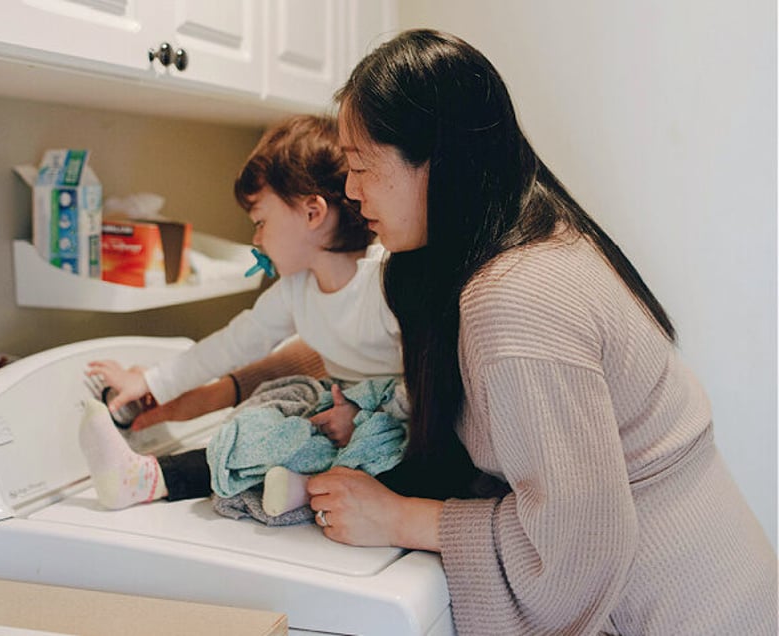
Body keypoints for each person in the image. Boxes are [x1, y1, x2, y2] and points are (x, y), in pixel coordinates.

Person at [302, 28, 777, 635]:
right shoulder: (534, 236)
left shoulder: (515, 295)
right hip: (715, 576)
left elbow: (579, 546)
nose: (350, 189)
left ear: (437, 159)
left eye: (361, 166)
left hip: (674, 607)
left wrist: (399, 518)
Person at [80, 113, 405, 511]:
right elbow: (236, 342)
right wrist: (151, 382)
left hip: (399, 417)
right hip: (338, 405)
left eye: (261, 222)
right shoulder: (295, 289)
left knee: (377, 449)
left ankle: (303, 488)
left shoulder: (385, 281)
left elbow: (430, 379)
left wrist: (363, 417)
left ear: (312, 213)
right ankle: (147, 478)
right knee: (258, 427)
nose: (256, 239)